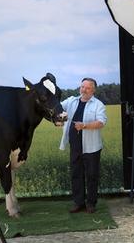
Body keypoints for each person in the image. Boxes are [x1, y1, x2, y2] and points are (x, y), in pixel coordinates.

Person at [59, 78, 107, 214]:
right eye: (82, 87)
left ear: (93, 90)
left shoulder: (98, 105)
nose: (83, 90)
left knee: (92, 175)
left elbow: (101, 122)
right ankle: (78, 203)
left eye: (87, 88)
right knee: (76, 174)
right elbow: (59, 107)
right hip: (75, 146)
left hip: (91, 147)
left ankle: (91, 203)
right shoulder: (72, 101)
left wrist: (85, 126)